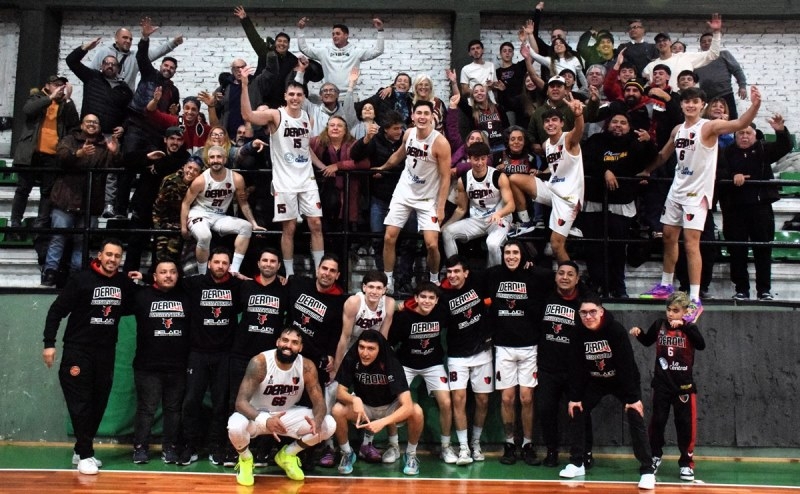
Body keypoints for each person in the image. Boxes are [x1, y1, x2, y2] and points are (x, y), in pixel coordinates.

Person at [640, 86, 762, 322]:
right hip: (677, 189)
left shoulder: (709, 126)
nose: (690, 105)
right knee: (667, 236)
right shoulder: (678, 129)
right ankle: (666, 284)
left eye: (695, 101)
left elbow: (738, 124)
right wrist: (646, 170)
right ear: (682, 105)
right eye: (686, 102)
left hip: (697, 195)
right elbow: (664, 155)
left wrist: (755, 106)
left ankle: (695, 298)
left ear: (702, 105)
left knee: (691, 244)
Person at [42, 238, 137, 475]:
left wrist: (143, 280)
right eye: (109, 255)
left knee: (98, 403)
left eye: (117, 256)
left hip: (105, 352)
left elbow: (135, 304)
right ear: (99, 255)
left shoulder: (123, 283)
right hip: (78, 351)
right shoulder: (81, 280)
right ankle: (85, 454)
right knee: (81, 403)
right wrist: (49, 344)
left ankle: (80, 449)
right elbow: (56, 311)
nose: (112, 260)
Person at [560, 295, 656, 490]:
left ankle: (647, 470)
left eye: (592, 312)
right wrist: (575, 398)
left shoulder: (615, 330)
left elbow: (626, 365)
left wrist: (632, 399)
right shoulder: (577, 333)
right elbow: (575, 367)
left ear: (601, 311)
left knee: (635, 414)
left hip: (621, 380)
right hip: (596, 381)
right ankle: (577, 463)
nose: (588, 316)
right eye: (584, 313)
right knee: (577, 409)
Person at [228, 327, 335, 485]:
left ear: (300, 347)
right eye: (285, 340)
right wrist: (265, 420)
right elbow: (240, 403)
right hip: (256, 416)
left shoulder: (307, 366)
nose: (288, 345)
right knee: (235, 426)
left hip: (286, 415)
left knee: (328, 424)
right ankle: (245, 459)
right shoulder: (260, 362)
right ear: (278, 342)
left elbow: (319, 402)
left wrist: (317, 421)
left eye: (294, 343)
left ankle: (288, 455)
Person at [241, 76, 324, 277]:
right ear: (285, 96)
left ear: (304, 97)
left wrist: (323, 166)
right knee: (290, 228)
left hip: (307, 179)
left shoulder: (305, 116)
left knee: (316, 224)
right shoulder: (275, 115)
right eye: (292, 94)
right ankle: (289, 273)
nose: (295, 98)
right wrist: (244, 85)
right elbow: (248, 115)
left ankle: (320, 270)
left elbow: (306, 149)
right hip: (285, 181)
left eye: (299, 94)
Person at [484, 239, 552, 465]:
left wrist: (533, 264)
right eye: (507, 252)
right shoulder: (494, 275)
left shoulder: (533, 276)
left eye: (515, 253)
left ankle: (528, 444)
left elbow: (551, 275)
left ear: (523, 255)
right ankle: (510, 443)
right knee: (506, 398)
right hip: (503, 346)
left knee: (526, 397)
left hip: (529, 346)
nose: (511, 256)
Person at [374, 101, 452, 293]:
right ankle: (389, 280)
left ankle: (434, 279)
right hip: (405, 191)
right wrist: (383, 167)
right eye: (419, 113)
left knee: (432, 244)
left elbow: (445, 177)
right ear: (413, 115)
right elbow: (399, 155)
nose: (423, 117)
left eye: (427, 113)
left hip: (428, 198)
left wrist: (440, 207)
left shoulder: (440, 142)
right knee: (389, 237)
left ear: (432, 116)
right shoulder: (408, 134)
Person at [630, 291, 706, 483]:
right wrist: (639, 333)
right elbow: (648, 341)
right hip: (662, 385)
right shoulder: (659, 324)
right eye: (668, 310)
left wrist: (686, 326)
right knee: (657, 424)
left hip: (684, 387)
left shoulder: (690, 328)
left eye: (675, 310)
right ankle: (654, 457)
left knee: (685, 427)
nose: (671, 314)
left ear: (685, 311)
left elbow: (701, 345)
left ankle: (686, 464)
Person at [179, 247, 243, 466]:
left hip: (224, 355)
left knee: (221, 404)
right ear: (209, 263)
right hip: (197, 353)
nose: (220, 266)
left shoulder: (236, 285)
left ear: (229, 266)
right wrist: (146, 276)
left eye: (225, 263)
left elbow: (260, 285)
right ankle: (190, 445)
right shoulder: (195, 283)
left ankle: (217, 446)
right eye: (217, 262)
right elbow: (169, 280)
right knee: (191, 401)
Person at [581, 111, 656, 297]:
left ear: (629, 127)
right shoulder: (595, 140)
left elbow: (645, 162)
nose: (618, 125)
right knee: (594, 248)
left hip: (621, 204)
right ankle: (597, 285)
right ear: (608, 124)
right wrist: (604, 171)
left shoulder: (635, 143)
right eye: (614, 122)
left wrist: (649, 142)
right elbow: (585, 161)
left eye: (623, 123)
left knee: (617, 249)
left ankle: (618, 287)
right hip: (594, 202)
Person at [41, 114, 120, 287]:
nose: (92, 125)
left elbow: (111, 170)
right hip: (65, 198)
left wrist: (114, 154)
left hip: (90, 202)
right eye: (89, 122)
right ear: (82, 125)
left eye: (96, 123)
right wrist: (79, 153)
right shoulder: (70, 139)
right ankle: (50, 272)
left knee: (81, 242)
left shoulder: (105, 144)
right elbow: (61, 156)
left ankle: (76, 277)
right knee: (58, 238)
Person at [333, 330, 425, 476]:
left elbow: (407, 405)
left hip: (390, 407)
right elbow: (339, 392)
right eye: (362, 347)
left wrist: (383, 422)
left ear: (379, 349)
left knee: (417, 411)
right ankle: (347, 453)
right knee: (337, 410)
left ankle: (411, 454)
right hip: (365, 407)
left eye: (371, 349)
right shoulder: (352, 356)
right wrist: (354, 399)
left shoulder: (391, 361)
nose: (364, 353)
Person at [720, 115, 792, 300]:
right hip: (735, 209)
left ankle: (764, 290)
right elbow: (719, 173)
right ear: (735, 136)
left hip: (760, 207)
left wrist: (780, 131)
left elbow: (784, 147)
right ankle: (741, 289)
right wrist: (733, 175)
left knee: (763, 249)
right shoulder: (726, 152)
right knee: (737, 251)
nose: (744, 136)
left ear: (755, 135)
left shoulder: (763, 149)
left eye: (748, 133)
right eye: (741, 133)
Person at [287, 254, 348, 466]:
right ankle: (274, 448)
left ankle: (307, 451)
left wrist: (331, 355)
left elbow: (338, 333)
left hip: (314, 361)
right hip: (288, 354)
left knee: (310, 406)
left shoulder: (340, 300)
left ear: (337, 275)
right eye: (324, 268)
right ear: (317, 269)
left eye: (332, 271)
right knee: (282, 402)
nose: (327, 273)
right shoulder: (297, 284)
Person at [509, 99, 586, 262]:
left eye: (554, 120)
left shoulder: (568, 139)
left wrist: (578, 115)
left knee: (556, 246)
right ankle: (526, 222)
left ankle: (571, 279)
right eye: (547, 121)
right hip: (552, 188)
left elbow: (579, 130)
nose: (550, 124)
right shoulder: (546, 145)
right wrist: (539, 172)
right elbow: (555, 166)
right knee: (514, 179)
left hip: (568, 198)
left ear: (562, 123)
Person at [10, 75, 79, 257]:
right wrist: (50, 98)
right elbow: (28, 110)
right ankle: (15, 223)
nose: (60, 88)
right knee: (23, 189)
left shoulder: (64, 104)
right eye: (56, 85)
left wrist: (69, 99)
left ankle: (41, 224)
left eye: (62, 86)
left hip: (52, 155)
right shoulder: (37, 98)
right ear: (47, 86)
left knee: (47, 192)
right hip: (31, 153)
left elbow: (74, 124)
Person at [388, 283, 455, 465]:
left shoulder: (441, 313)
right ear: (416, 298)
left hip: (433, 364)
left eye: (431, 298)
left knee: (446, 402)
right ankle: (393, 446)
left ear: (436, 301)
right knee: (393, 402)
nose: (427, 301)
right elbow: (391, 343)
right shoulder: (403, 317)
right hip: (406, 364)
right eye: (423, 297)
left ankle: (446, 446)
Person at [130, 260, 190, 465]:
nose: (168, 276)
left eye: (173, 272)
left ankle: (170, 448)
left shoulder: (186, 296)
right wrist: (143, 279)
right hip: (147, 367)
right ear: (154, 276)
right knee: (146, 409)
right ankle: (140, 447)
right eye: (163, 272)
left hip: (178, 366)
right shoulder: (141, 296)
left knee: (173, 410)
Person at [440, 255, 494, 463]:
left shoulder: (479, 282)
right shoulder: (443, 295)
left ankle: (476, 443)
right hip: (457, 355)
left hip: (482, 352)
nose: (452, 276)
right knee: (458, 400)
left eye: (456, 271)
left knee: (482, 400)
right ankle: (463, 447)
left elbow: (500, 272)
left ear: (466, 272)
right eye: (449, 272)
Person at [180, 145, 265, 275]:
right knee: (205, 236)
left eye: (219, 157)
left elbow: (243, 203)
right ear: (208, 161)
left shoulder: (236, 178)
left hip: (219, 216)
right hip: (199, 213)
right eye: (212, 157)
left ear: (225, 159)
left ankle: (234, 270)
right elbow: (186, 203)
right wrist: (183, 227)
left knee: (246, 227)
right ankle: (202, 275)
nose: (215, 160)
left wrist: (254, 223)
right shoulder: (200, 180)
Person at [123, 126, 190, 272]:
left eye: (179, 140)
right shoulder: (153, 150)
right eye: (172, 138)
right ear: (165, 140)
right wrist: (147, 158)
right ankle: (127, 278)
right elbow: (126, 160)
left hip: (167, 211)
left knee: (161, 248)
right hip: (144, 204)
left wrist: (158, 165)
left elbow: (175, 165)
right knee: (135, 241)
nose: (175, 142)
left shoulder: (184, 157)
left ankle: (153, 280)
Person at [537, 261, 583, 467]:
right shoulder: (545, 297)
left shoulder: (583, 303)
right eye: (561, 273)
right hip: (548, 368)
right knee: (546, 411)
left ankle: (583, 452)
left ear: (577, 279)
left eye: (570, 274)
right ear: (555, 277)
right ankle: (551, 451)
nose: (565, 277)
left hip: (575, 369)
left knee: (579, 413)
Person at [441, 142, 514, 267]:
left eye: (483, 158)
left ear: (487, 158)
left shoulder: (498, 176)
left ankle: (494, 278)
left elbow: (511, 205)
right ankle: (455, 270)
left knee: (492, 244)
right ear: (469, 158)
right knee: (447, 232)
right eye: (476, 159)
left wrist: (499, 213)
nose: (480, 163)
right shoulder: (463, 180)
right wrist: (445, 225)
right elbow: (461, 209)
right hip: (477, 219)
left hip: (499, 218)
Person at [296, 17, 385, 92]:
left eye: (338, 34)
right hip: (330, 95)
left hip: (349, 95)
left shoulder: (356, 52)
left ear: (346, 35)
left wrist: (380, 31)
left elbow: (378, 51)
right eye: (333, 34)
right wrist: (300, 30)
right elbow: (304, 49)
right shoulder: (324, 52)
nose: (334, 36)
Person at [90, 19, 182, 90]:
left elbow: (157, 52)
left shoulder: (135, 57)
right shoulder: (104, 52)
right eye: (125, 38)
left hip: (124, 102)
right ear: (116, 38)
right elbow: (90, 74)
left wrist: (173, 43)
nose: (128, 41)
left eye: (130, 39)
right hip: (103, 98)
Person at [642, 14, 723, 90]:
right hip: (662, 103)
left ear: (670, 42)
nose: (662, 43)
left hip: (686, 100)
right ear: (656, 45)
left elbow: (713, 55)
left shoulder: (685, 57)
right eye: (658, 41)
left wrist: (716, 33)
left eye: (664, 40)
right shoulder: (650, 67)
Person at [151, 157, 203, 265]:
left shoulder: (199, 184)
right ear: (184, 167)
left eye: (195, 170)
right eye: (189, 167)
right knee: (161, 257)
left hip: (184, 224)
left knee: (176, 257)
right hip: (164, 222)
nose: (191, 172)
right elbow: (159, 206)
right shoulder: (170, 180)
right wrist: (159, 227)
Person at [695, 31, 748, 119]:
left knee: (731, 120)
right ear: (700, 45)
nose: (706, 43)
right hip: (706, 97)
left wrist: (742, 86)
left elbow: (737, 70)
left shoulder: (724, 54)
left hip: (725, 93)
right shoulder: (698, 59)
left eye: (709, 41)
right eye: (703, 42)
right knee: (707, 122)